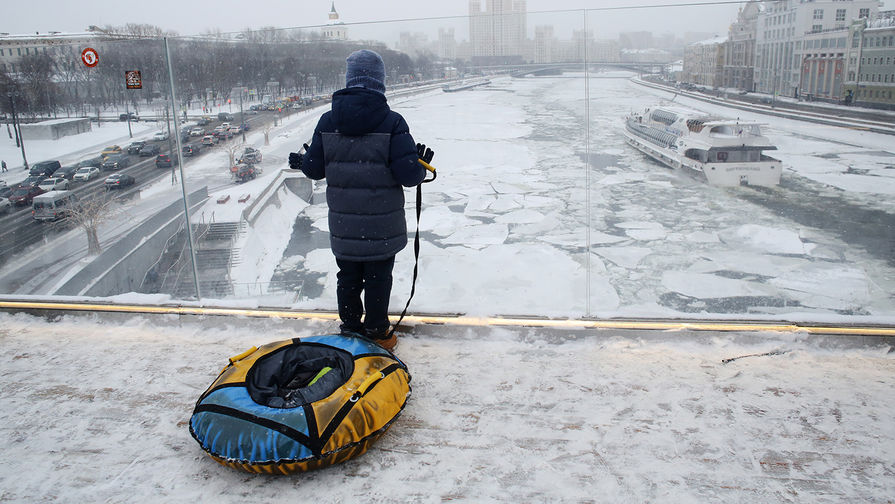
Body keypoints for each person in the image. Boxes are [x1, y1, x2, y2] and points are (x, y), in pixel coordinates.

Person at [289, 49, 429, 351]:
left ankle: (351, 330)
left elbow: (314, 170)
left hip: (344, 223)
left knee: (348, 277)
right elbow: (408, 176)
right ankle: (378, 332)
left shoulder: (327, 121)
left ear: (349, 80)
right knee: (379, 278)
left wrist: (302, 160)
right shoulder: (392, 122)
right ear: (380, 82)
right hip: (382, 224)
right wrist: (419, 164)